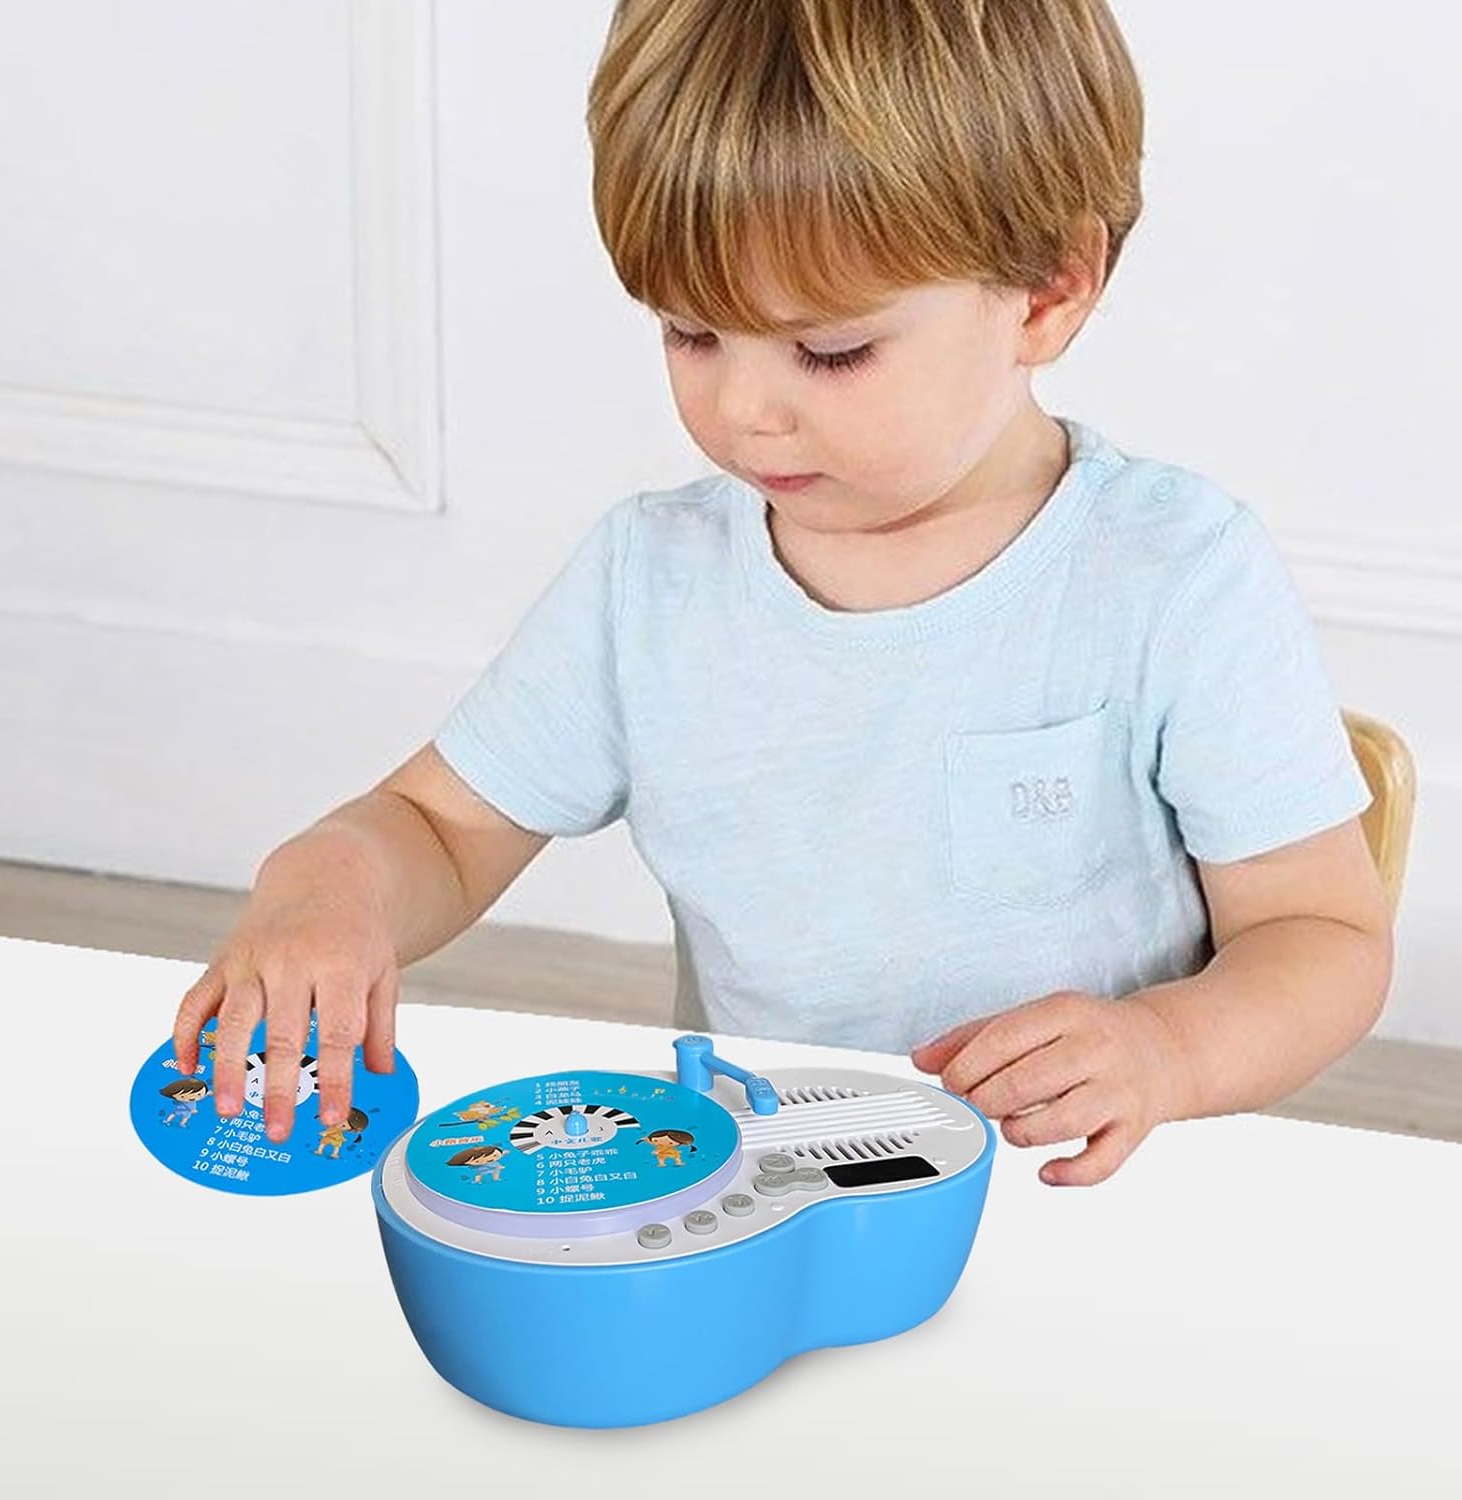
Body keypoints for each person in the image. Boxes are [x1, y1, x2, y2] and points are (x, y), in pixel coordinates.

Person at [172, 0, 1392, 1187]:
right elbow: (439, 828)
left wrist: (1165, 1049)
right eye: (690, 334)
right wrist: (331, 881)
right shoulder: (650, 587)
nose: (744, 410)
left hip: (1076, 1193)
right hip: (761, 1193)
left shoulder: (1172, 578)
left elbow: (1322, 939)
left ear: (1049, 290)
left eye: (830, 351)